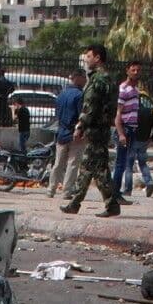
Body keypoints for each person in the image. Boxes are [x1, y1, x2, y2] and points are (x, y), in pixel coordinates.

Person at [59, 44, 119, 217]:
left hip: (95, 130)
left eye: (89, 56)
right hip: (102, 128)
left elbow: (90, 106)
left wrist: (80, 126)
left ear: (98, 58)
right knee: (89, 168)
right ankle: (76, 203)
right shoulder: (108, 78)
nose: (86, 59)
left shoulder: (98, 79)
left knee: (97, 169)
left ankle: (110, 204)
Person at [113, 63, 153, 199]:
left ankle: (117, 193)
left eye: (138, 70)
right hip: (124, 129)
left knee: (125, 163)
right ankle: (115, 194)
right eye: (133, 70)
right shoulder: (123, 89)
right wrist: (120, 134)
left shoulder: (136, 91)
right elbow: (118, 113)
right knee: (120, 164)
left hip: (132, 130)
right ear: (127, 71)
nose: (136, 72)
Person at [50, 67, 84, 197]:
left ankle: (51, 189)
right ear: (78, 78)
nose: (85, 80)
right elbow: (82, 115)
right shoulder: (80, 95)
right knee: (72, 163)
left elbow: (57, 114)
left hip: (61, 132)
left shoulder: (61, 95)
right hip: (75, 133)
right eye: (84, 77)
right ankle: (67, 191)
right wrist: (80, 129)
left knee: (58, 163)